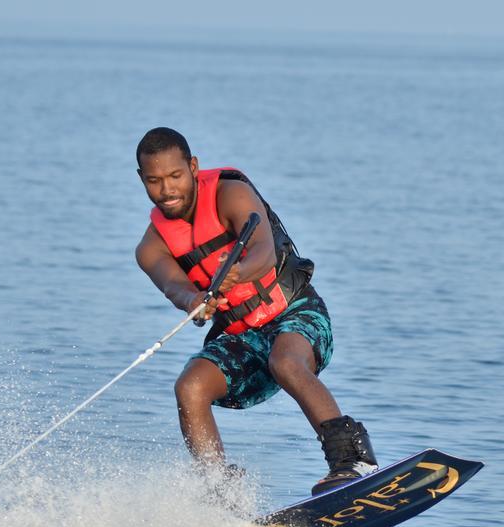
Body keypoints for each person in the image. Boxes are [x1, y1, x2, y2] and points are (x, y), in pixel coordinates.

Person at [133, 127, 378, 496]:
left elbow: (263, 250)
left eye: (175, 176)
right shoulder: (150, 247)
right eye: (154, 181)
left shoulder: (232, 194)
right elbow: (173, 286)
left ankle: (351, 460)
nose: (167, 190)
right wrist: (193, 301)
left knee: (286, 362)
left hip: (296, 313)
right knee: (190, 386)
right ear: (142, 180)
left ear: (193, 166)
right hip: (242, 337)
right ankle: (222, 495)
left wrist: (239, 273)